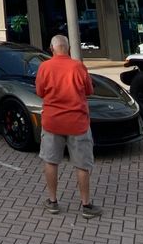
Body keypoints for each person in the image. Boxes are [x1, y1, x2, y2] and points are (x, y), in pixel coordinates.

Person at [35, 34, 103, 218]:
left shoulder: (44, 67)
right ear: (69, 49)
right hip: (77, 122)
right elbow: (89, 90)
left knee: (51, 161)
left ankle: (53, 201)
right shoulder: (78, 67)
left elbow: (40, 92)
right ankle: (86, 205)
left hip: (52, 122)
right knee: (82, 165)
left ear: (51, 49)